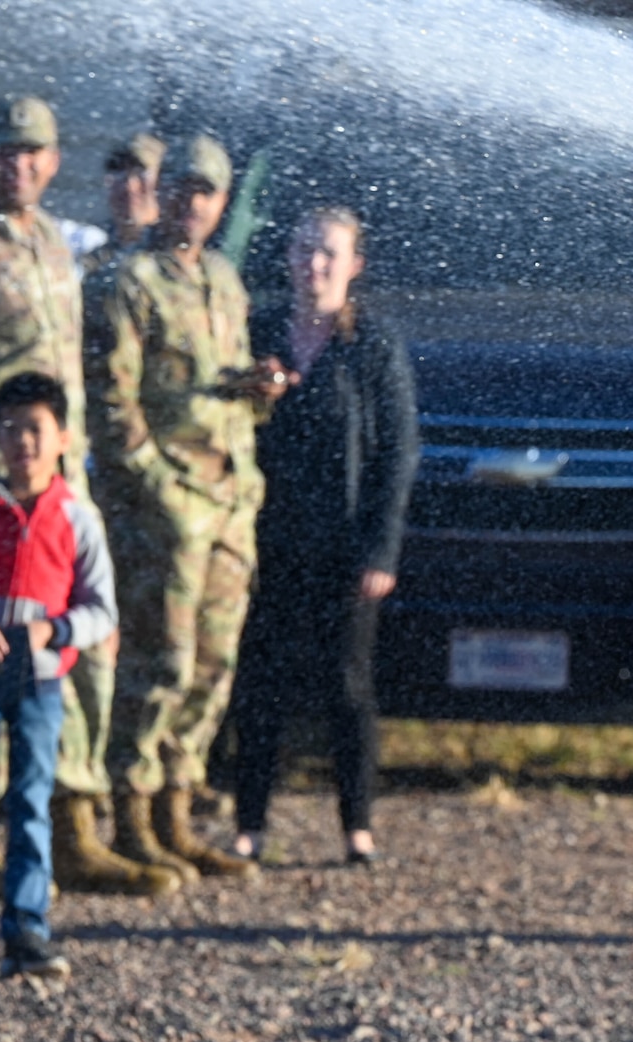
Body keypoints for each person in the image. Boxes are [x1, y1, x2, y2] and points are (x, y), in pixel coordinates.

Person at [0, 96, 175, 898]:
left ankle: (74, 826)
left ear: (55, 161)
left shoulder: (60, 244)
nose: (16, 164)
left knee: (78, 647)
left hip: (62, 485)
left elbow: (139, 254)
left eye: (31, 152)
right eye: (0, 151)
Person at [84, 133, 292, 884]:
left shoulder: (224, 282)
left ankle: (178, 810)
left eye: (205, 193)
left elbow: (216, 384)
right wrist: (158, 489)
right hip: (164, 509)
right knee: (159, 662)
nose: (191, 203)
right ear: (160, 191)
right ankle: (132, 816)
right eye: (180, 188)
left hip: (230, 501)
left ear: (222, 204)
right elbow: (111, 410)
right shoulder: (128, 282)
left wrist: (258, 387)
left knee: (213, 665)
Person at [230, 207, 417, 866]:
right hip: (268, 540)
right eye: (305, 250)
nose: (315, 265)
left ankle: (356, 826)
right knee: (261, 683)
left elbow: (398, 451)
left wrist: (382, 548)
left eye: (329, 254)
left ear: (354, 266)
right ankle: (249, 823)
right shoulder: (257, 331)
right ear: (287, 257)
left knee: (349, 685)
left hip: (346, 543)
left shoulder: (371, 342)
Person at [0, 373, 119, 984]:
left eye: (35, 428)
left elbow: (101, 609)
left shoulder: (75, 517)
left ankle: (27, 931)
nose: (23, 442)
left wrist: (53, 632)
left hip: (38, 681)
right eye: (9, 429)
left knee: (32, 801)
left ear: (62, 437)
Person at [62, 132, 166, 277]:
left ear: (163, 183)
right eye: (119, 173)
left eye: (140, 173)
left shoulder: (175, 257)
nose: (129, 186)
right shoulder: (93, 260)